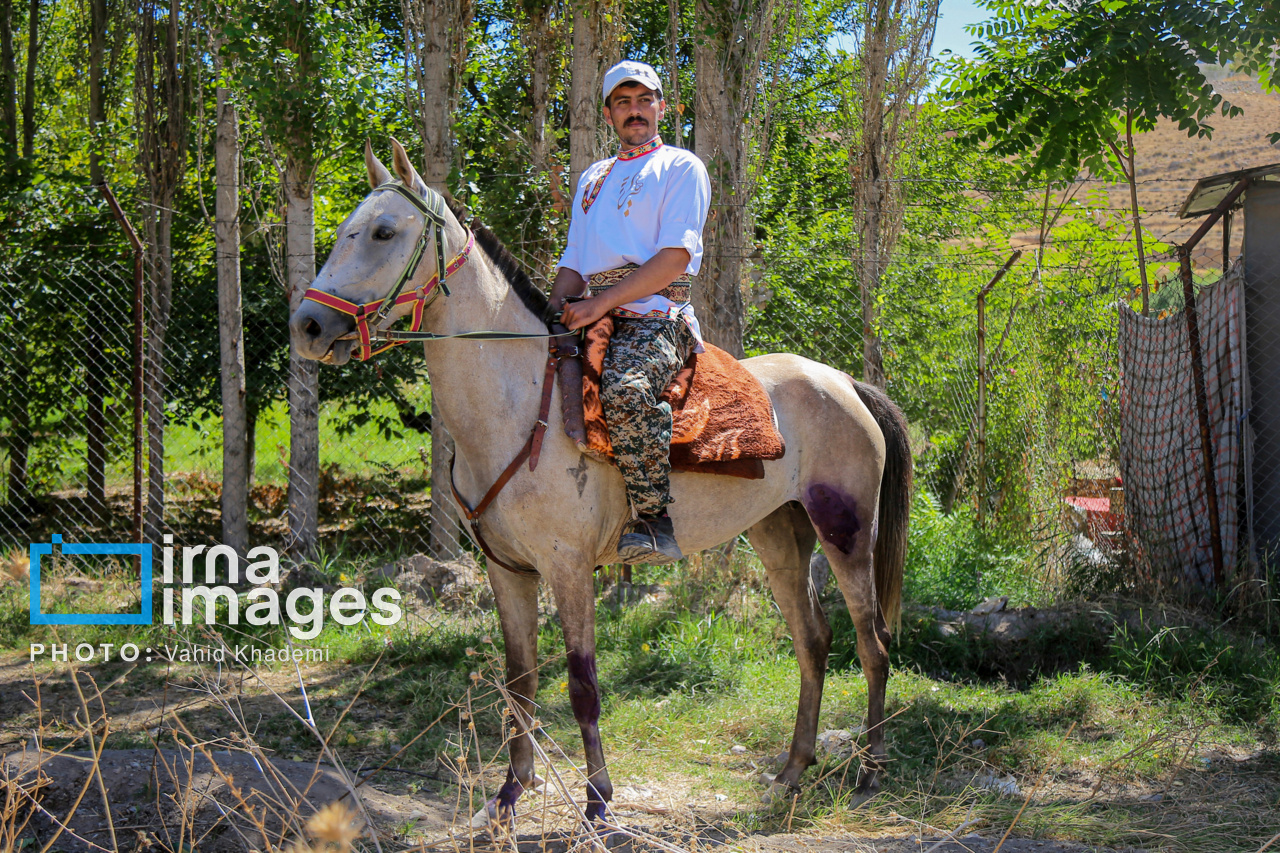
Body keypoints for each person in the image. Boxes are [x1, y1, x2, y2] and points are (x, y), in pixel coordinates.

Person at [549, 59, 711, 565]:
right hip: (592, 312)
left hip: (657, 316)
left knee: (626, 392)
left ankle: (653, 519)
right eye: (623, 101)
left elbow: (675, 257)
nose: (635, 110)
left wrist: (599, 302)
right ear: (608, 112)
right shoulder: (593, 178)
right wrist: (549, 310)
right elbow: (575, 260)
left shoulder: (682, 167)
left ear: (663, 107)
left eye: (645, 100)